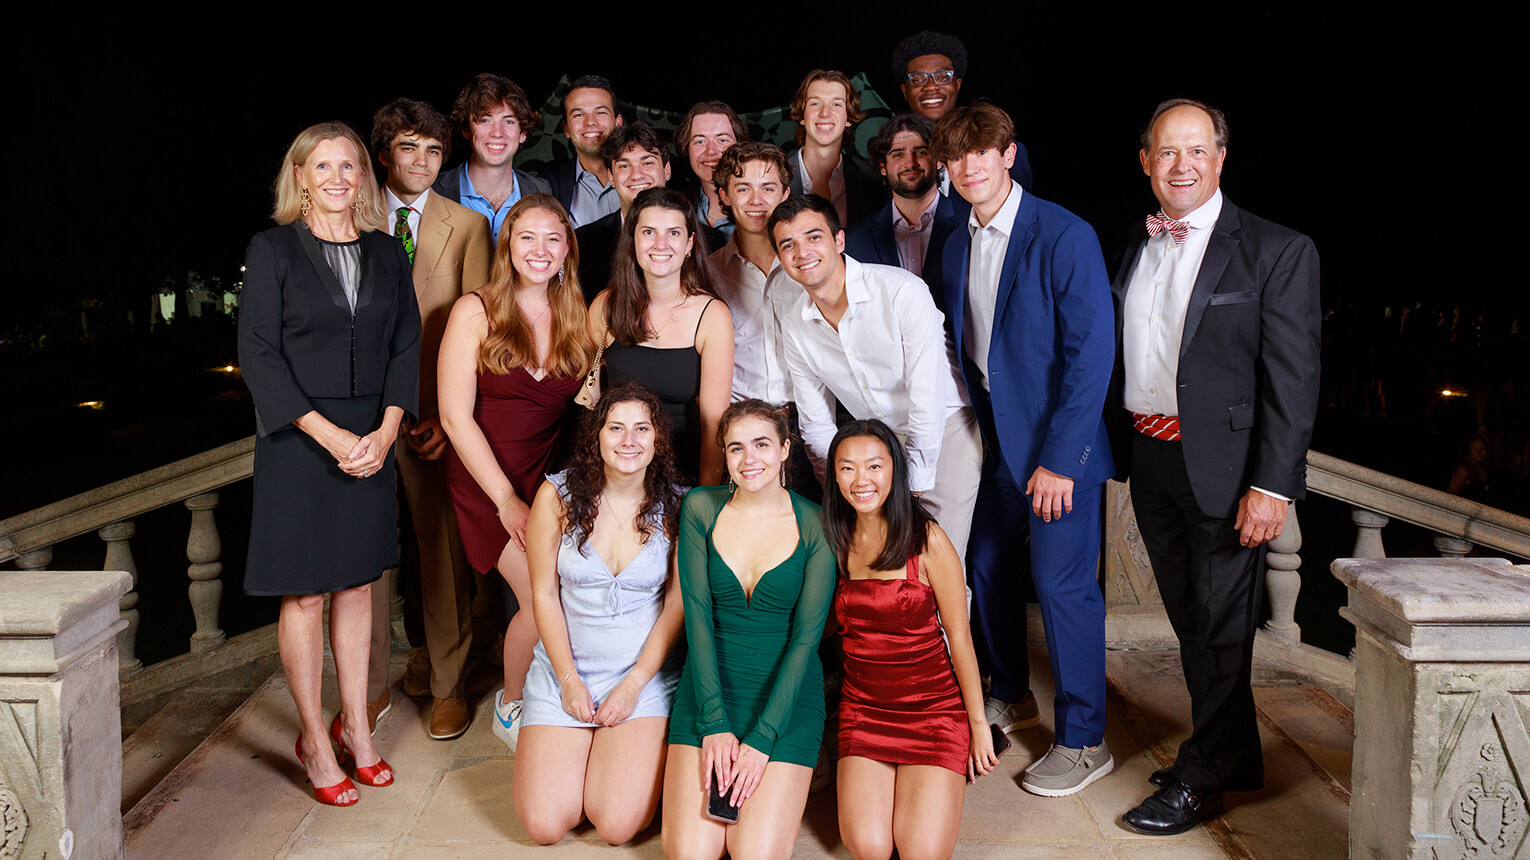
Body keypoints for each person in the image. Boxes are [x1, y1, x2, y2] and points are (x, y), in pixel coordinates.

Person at [1111, 98, 1320, 834]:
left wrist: (1272, 485)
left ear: (1222, 158)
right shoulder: (1138, 248)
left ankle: (1202, 778)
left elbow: (1293, 382)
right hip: (1153, 458)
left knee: (1223, 626)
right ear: (1146, 162)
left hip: (1230, 474)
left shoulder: (1276, 249)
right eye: (1168, 152)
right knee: (1194, 623)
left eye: (1197, 151)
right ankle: (1238, 754)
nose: (1182, 166)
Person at [932, 103, 1117, 797]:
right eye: (958, 157)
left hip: (1056, 452)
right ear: (948, 169)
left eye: (984, 152)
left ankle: (1083, 738)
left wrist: (1061, 459)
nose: (971, 166)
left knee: (1063, 588)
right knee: (984, 565)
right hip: (999, 449)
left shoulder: (1062, 233)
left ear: (1009, 155)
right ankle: (1010, 690)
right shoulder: (956, 241)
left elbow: (1091, 353)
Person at [238, 121, 420, 806]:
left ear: (363, 179)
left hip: (373, 434)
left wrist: (386, 430)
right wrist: (331, 437)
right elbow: (258, 353)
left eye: (350, 166)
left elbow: (407, 346)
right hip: (298, 439)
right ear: (301, 177)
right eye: (324, 166)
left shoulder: (386, 251)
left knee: (355, 587)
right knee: (307, 593)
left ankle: (357, 729)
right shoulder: (274, 248)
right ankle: (314, 737)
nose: (339, 177)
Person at [438, 194, 594, 753]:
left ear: (567, 248)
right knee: (538, 592)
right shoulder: (474, 311)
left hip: (547, 472)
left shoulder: (580, 313)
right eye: (526, 237)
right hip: (485, 475)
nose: (540, 249)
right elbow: (455, 418)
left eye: (553, 238)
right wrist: (505, 499)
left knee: (570, 587)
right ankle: (510, 705)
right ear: (507, 245)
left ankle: (557, 689)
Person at [366, 97, 493, 741]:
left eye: (434, 150)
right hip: (356, 420)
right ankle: (368, 690)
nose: (422, 161)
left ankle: (449, 685)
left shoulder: (466, 226)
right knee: (366, 560)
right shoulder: (351, 214)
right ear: (385, 152)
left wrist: (451, 416)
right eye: (409, 147)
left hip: (427, 418)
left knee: (440, 554)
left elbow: (478, 334)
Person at [661, 400, 836, 860]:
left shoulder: (816, 523)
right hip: (710, 687)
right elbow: (696, 617)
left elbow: (806, 639)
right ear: (724, 455)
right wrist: (713, 722)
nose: (748, 459)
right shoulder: (700, 508)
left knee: (753, 854)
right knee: (689, 854)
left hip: (787, 698)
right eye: (735, 448)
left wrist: (762, 738)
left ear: (784, 449)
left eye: (761, 444)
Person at [768, 194, 982, 572]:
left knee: (938, 567)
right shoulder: (795, 323)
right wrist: (837, 483)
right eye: (788, 245)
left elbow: (927, 397)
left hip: (944, 431)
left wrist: (912, 482)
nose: (802, 252)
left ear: (839, 241)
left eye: (814, 237)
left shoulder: (902, 293)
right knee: (884, 569)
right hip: (875, 447)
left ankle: (954, 634)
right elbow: (816, 421)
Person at [512, 383, 686, 845]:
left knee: (616, 825)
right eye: (616, 428)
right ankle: (561, 740)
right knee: (545, 825)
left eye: (642, 429)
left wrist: (632, 687)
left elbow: (676, 606)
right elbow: (544, 596)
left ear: (657, 440)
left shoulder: (676, 505)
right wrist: (568, 679)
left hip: (640, 678)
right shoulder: (557, 496)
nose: (629, 440)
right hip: (564, 672)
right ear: (597, 436)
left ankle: (622, 758)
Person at [825, 419, 994, 860]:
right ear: (834, 475)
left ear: (895, 471)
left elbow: (960, 638)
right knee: (869, 846)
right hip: (864, 711)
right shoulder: (836, 541)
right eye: (847, 468)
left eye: (874, 466)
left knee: (920, 851)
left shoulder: (928, 540)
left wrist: (978, 726)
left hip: (932, 712)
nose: (861, 480)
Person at [588, 187, 734, 487]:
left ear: (690, 243)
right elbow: (589, 401)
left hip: (684, 472)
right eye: (649, 232)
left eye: (674, 233)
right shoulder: (605, 307)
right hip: (616, 473)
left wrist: (703, 500)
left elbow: (713, 426)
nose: (661, 244)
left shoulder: (712, 315)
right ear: (633, 241)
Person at [575, 122, 725, 304]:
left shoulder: (712, 242)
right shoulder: (583, 242)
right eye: (624, 166)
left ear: (667, 170)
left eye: (647, 162)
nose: (636, 174)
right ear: (611, 177)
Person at [889, 31, 1033, 192]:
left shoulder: (999, 149)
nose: (931, 86)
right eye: (918, 79)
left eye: (943, 77)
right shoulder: (891, 156)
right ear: (904, 90)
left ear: (957, 85)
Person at [844, 114, 963, 295]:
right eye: (898, 154)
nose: (910, 163)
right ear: (883, 166)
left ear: (939, 160)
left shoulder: (971, 225)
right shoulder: (855, 240)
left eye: (921, 152)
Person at [432, 73, 553, 245]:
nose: (497, 132)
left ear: (523, 133)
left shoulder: (543, 191)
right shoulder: (434, 192)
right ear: (467, 130)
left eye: (509, 122)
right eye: (485, 120)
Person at [784, 70, 886, 229]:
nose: (825, 113)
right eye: (815, 103)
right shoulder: (777, 177)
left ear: (849, 117)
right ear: (802, 115)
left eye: (836, 104)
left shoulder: (873, 180)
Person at [542, 75, 624, 228]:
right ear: (566, 129)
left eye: (600, 113)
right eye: (579, 115)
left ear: (618, 122)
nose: (590, 122)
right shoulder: (550, 181)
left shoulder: (646, 175)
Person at [676, 100, 748, 235]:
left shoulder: (763, 205)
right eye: (700, 141)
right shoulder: (676, 207)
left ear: (739, 145)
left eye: (722, 140)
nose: (711, 151)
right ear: (687, 149)